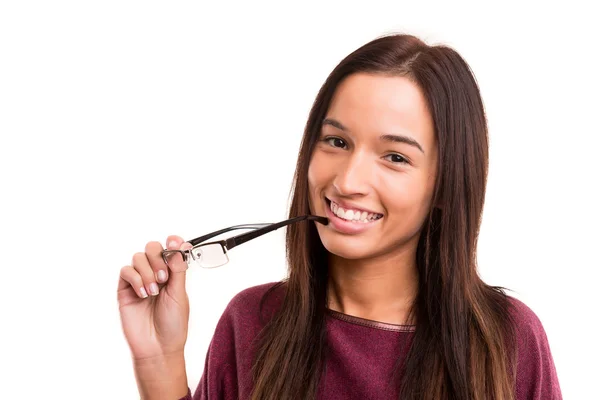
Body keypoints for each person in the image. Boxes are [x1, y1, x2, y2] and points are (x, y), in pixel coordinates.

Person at [117, 33, 562, 400]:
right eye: (337, 142)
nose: (348, 181)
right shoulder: (251, 323)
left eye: (394, 157)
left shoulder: (506, 343)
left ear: (445, 184)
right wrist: (158, 360)